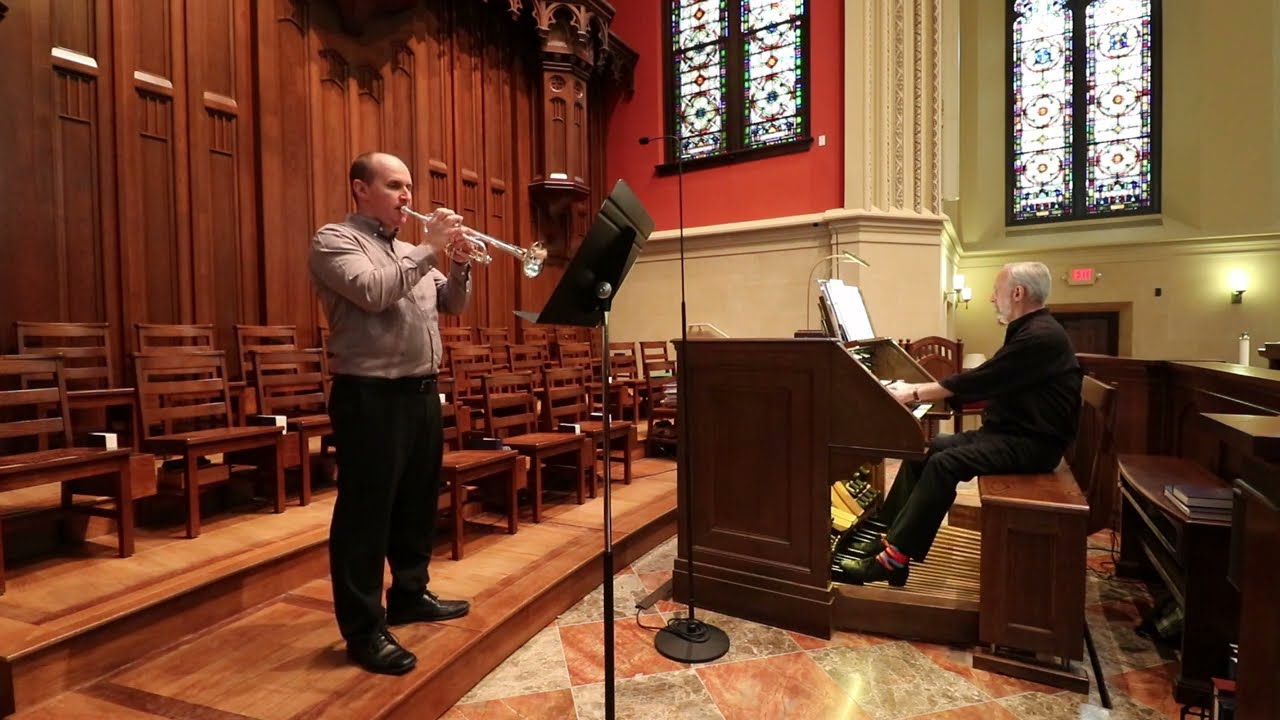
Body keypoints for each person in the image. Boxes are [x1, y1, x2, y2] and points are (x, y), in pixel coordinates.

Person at [310, 151, 477, 675]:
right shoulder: (334, 241)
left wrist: (460, 264)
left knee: (415, 504)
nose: (407, 196)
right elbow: (374, 292)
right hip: (369, 396)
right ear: (361, 188)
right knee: (366, 515)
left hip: (421, 392)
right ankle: (363, 629)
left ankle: (409, 594)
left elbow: (452, 305)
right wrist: (431, 248)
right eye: (394, 185)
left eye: (408, 186)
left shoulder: (410, 250)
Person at [840, 261, 1082, 586]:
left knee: (945, 464)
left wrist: (914, 392)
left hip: (1035, 445)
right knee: (927, 450)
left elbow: (987, 378)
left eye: (996, 291)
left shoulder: (1041, 336)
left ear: (1017, 293)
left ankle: (893, 560)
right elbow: (994, 380)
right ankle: (887, 534)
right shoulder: (1033, 331)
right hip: (1012, 434)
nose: (992, 298)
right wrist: (929, 394)